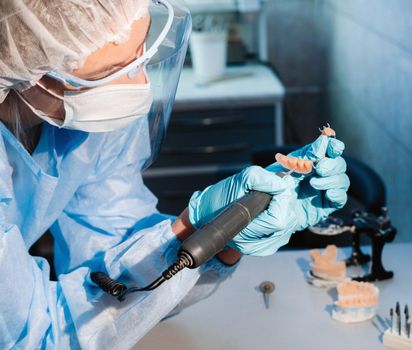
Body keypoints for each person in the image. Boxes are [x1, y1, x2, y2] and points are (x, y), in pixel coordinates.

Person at [0, 0, 350, 349]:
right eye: (113, 69)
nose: (139, 84)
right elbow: (33, 337)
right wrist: (196, 227)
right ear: (24, 61)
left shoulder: (87, 126)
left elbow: (112, 279)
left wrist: (222, 233)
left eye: (141, 52)